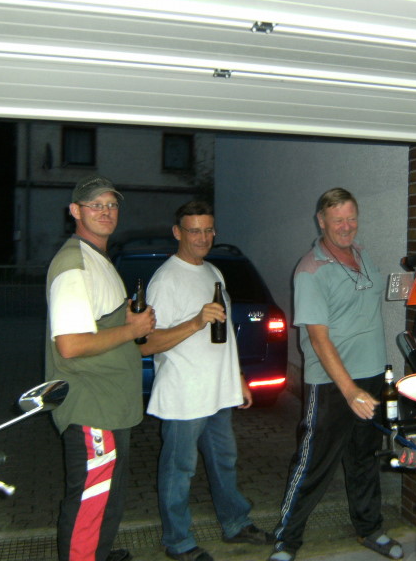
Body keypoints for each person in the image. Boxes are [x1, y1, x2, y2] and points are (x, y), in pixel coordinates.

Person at [268, 188, 403, 561]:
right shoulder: (310, 270)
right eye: (338, 220)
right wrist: (349, 391)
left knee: (364, 457)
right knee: (314, 462)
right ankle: (286, 540)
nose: (346, 226)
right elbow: (317, 337)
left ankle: (370, 529)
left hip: (371, 373)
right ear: (321, 221)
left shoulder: (361, 254)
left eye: (352, 218)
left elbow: (365, 301)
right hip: (332, 383)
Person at [141, 200, 272, 561]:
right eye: (194, 230)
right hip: (184, 394)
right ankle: (178, 542)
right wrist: (196, 322)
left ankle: (235, 523)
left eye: (208, 230)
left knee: (224, 461)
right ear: (177, 232)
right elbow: (147, 343)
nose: (202, 237)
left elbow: (224, 331)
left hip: (218, 390)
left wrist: (239, 376)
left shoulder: (213, 271)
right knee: (179, 469)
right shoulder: (165, 280)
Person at [45, 174, 156, 561]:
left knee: (108, 494)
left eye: (111, 205)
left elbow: (101, 325)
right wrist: (131, 330)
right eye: (96, 205)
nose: (106, 211)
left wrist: (129, 322)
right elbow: (71, 345)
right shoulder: (74, 265)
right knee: (90, 500)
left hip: (110, 405)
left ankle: (100, 554)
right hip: (92, 407)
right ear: (75, 211)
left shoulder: (98, 259)